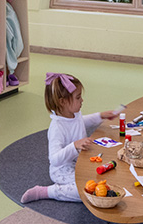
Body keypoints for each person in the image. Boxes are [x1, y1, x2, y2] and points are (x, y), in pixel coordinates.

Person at [21, 73, 119, 204]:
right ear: (63, 102)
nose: (82, 100)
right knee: (85, 191)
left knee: (107, 176)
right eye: (78, 97)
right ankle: (46, 191)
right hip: (62, 169)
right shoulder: (57, 127)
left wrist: (101, 116)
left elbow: (81, 122)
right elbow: (54, 159)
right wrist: (74, 146)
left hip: (80, 162)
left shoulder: (74, 114)